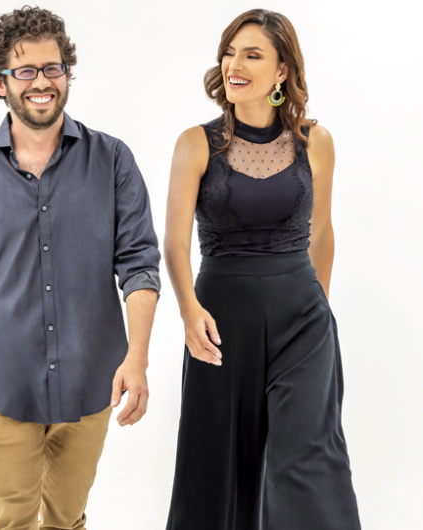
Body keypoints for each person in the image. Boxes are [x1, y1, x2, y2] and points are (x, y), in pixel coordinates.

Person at [0, 6, 160, 529]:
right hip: (4, 385)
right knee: (10, 522)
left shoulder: (113, 160)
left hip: (92, 381)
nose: (42, 82)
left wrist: (138, 358)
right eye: (25, 70)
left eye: (53, 68)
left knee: (68, 520)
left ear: (67, 72)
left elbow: (140, 264)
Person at [163, 9, 361, 530]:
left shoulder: (315, 141)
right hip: (220, 321)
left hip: (303, 321)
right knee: (217, 465)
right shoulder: (196, 143)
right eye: (230, 53)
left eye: (252, 55)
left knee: (307, 460)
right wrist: (188, 311)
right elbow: (175, 242)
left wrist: (318, 309)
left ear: (281, 71)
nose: (235, 65)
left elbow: (322, 232)